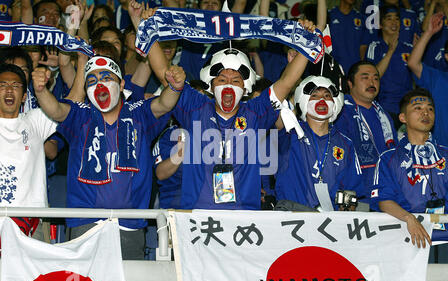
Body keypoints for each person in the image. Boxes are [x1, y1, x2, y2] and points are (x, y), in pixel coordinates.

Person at [31, 52, 186, 259]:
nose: (100, 84)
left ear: (121, 85)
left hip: (129, 224)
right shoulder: (80, 116)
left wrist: (175, 85)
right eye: (92, 81)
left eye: (106, 78)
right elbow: (57, 110)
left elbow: (164, 104)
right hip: (85, 223)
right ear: (86, 91)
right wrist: (41, 90)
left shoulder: (139, 114)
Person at [152, 16, 317, 210]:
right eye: (222, 79)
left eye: (236, 80)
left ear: (246, 88)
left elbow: (287, 81)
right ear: (211, 86)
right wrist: (145, 28)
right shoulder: (196, 107)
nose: (229, 84)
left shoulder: (256, 112)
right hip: (196, 217)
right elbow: (165, 73)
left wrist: (307, 41)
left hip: (243, 217)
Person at [370, 88, 448, 249]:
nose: (425, 113)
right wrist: (409, 218)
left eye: (430, 109)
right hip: (407, 238)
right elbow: (384, 200)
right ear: (403, 117)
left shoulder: (446, 155)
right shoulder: (388, 158)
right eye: (418, 108)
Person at [275, 76, 364, 211]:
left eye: (327, 96)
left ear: (335, 102)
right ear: (303, 100)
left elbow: (351, 187)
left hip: (330, 221)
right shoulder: (290, 132)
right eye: (314, 96)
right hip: (292, 216)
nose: (322, 100)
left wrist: (346, 209)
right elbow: (278, 116)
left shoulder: (346, 144)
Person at [0, 63, 57, 236]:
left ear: (24, 96)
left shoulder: (35, 120)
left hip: (32, 223)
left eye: (15, 86)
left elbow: (72, 104)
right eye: (2, 85)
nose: (9, 90)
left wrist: (68, 62)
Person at [334, 60, 398, 206]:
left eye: (376, 78)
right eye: (365, 77)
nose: (372, 82)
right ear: (350, 83)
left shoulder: (384, 115)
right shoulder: (340, 113)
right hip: (357, 195)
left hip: (387, 192)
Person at [365, 4, 414, 126]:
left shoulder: (409, 48)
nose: (394, 22)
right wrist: (391, 50)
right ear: (380, 25)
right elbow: (373, 77)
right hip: (385, 108)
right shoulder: (374, 47)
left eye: (397, 18)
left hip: (407, 109)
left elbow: (417, 78)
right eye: (389, 18)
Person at [407, 12, 448, 148]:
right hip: (441, 155)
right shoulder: (438, 79)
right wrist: (429, 32)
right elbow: (413, 63)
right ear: (447, 57)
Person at [328, 0, 366, 74]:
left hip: (354, 72)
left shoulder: (361, 18)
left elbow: (363, 47)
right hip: (332, 70)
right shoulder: (330, 15)